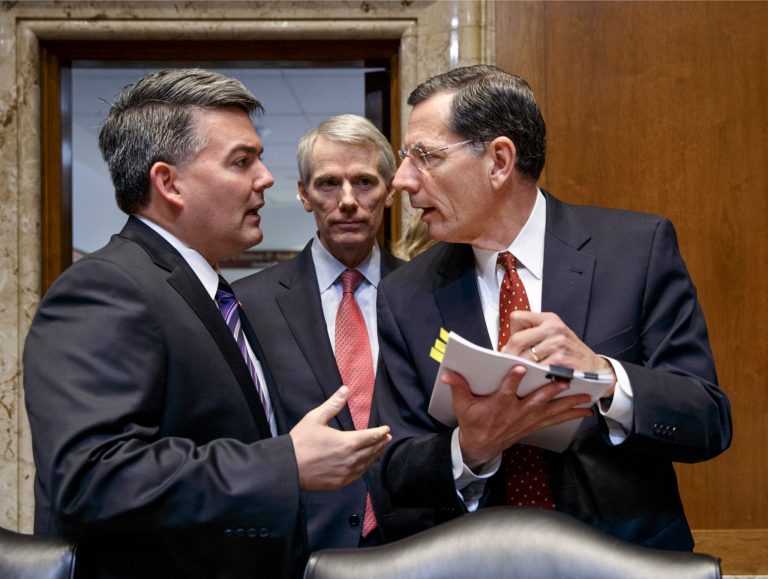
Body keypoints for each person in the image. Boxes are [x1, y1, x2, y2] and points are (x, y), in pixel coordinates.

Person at [23, 69, 391, 579]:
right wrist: (284, 464)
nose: (265, 177)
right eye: (242, 161)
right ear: (168, 183)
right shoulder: (105, 288)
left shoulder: (210, 294)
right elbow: (91, 476)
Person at [375, 64, 732, 551]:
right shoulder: (404, 294)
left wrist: (607, 378)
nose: (401, 180)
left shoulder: (636, 251)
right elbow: (393, 471)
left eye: (425, 157)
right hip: (480, 561)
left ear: (499, 161)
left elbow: (707, 421)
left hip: (626, 562)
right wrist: (469, 450)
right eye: (405, 159)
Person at [234, 114, 424, 550]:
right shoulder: (249, 304)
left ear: (390, 191)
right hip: (302, 546)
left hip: (416, 541)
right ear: (304, 194)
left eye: (364, 182)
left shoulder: (428, 294)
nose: (348, 201)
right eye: (328, 184)